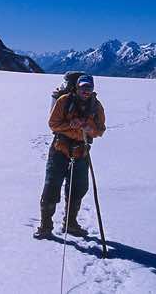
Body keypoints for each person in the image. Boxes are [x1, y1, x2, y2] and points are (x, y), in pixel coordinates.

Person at [34, 74, 106, 239]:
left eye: (89, 88)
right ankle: (45, 226)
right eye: (83, 88)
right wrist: (70, 126)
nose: (86, 91)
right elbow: (53, 124)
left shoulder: (96, 107)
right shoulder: (64, 101)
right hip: (60, 150)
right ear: (77, 87)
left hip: (81, 152)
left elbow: (101, 130)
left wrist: (90, 130)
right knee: (52, 187)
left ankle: (70, 223)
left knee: (78, 188)